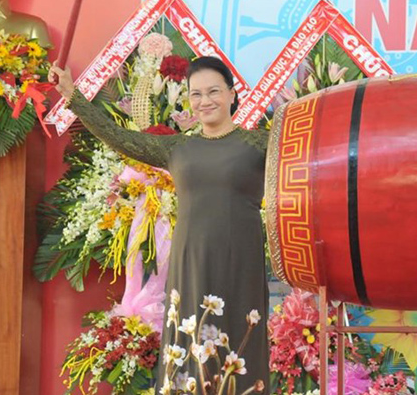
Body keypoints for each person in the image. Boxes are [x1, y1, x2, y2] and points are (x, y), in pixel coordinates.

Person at [49, 57, 269, 394]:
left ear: (232, 94)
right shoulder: (177, 148)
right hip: (190, 262)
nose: (205, 101)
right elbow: (117, 136)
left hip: (242, 262)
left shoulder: (258, 144)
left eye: (213, 91)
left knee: (241, 343)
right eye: (196, 94)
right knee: (190, 345)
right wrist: (72, 95)